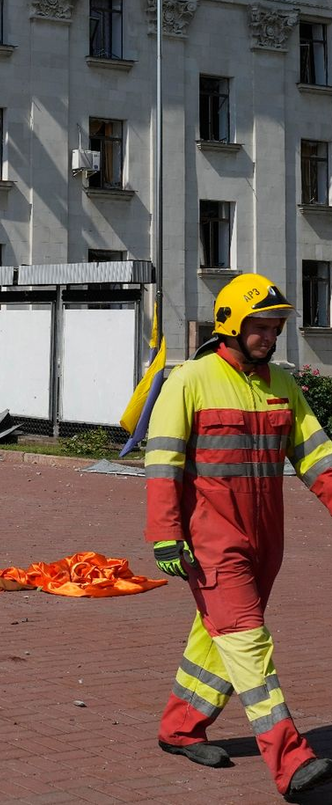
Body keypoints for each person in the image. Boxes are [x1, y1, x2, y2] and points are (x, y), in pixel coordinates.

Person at [146, 273, 332, 799]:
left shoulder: (283, 386)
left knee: (216, 637)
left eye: (275, 328)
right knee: (249, 642)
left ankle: (179, 728)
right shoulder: (192, 380)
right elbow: (162, 464)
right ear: (230, 324)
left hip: (265, 540)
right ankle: (290, 759)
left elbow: (318, 459)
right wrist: (165, 535)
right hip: (211, 541)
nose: (270, 337)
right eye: (261, 327)